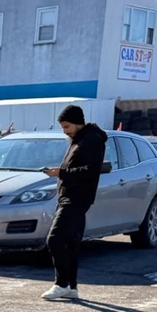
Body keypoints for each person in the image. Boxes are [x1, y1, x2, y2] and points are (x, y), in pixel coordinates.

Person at [41, 105, 107, 301]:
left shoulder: (91, 140)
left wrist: (60, 173)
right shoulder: (77, 140)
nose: (65, 131)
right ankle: (71, 286)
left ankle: (61, 284)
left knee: (54, 239)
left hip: (76, 198)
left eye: (67, 126)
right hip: (68, 196)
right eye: (62, 127)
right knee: (71, 243)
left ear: (78, 123)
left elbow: (90, 171)